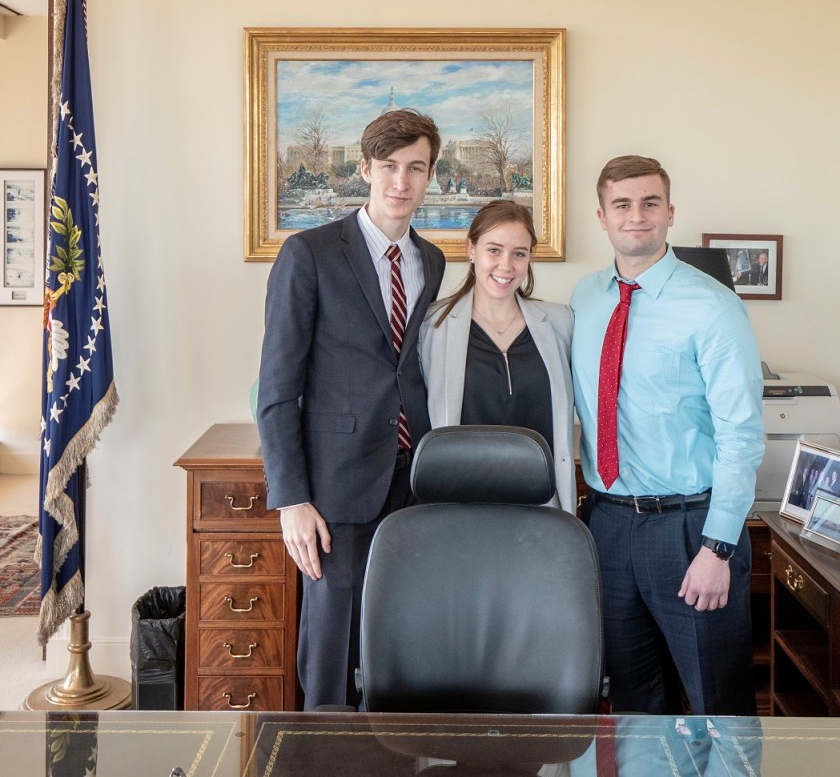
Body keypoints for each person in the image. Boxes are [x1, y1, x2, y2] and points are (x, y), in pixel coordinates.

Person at [257, 109, 446, 710]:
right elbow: (277, 387)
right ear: (364, 169)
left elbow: (408, 367)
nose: (401, 181)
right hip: (334, 487)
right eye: (389, 166)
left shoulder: (433, 261)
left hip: (411, 477)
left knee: (398, 640)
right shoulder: (308, 253)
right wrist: (292, 498)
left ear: (430, 176)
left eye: (416, 168)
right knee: (332, 651)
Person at [570, 155, 765, 716]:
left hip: (691, 529)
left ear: (670, 212)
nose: (637, 216)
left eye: (650, 203)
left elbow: (741, 435)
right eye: (622, 205)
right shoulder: (585, 299)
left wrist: (717, 546)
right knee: (631, 703)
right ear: (601, 217)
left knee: (716, 703)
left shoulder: (713, 307)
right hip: (605, 524)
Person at [419, 200, 576, 513]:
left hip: (542, 509)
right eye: (494, 250)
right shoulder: (430, 327)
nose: (506, 265)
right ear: (471, 250)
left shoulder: (561, 322)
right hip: (460, 508)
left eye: (519, 253)